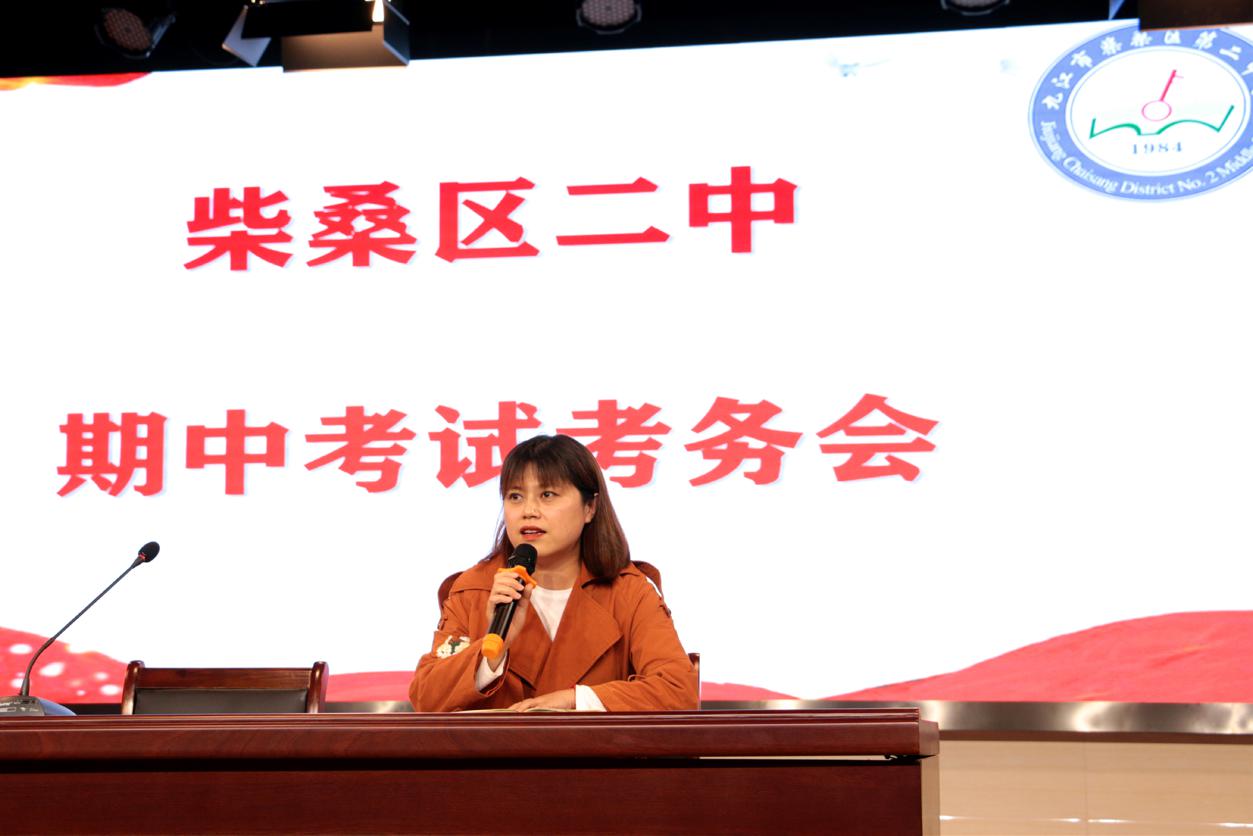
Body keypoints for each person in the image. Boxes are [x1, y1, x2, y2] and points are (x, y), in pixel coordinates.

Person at [409, 434, 698, 712]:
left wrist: (575, 700)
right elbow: (426, 697)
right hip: (498, 749)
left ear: (590, 507)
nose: (529, 511)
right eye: (515, 496)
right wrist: (491, 651)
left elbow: (677, 691)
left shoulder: (629, 591)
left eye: (547, 495)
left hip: (599, 748)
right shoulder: (475, 589)